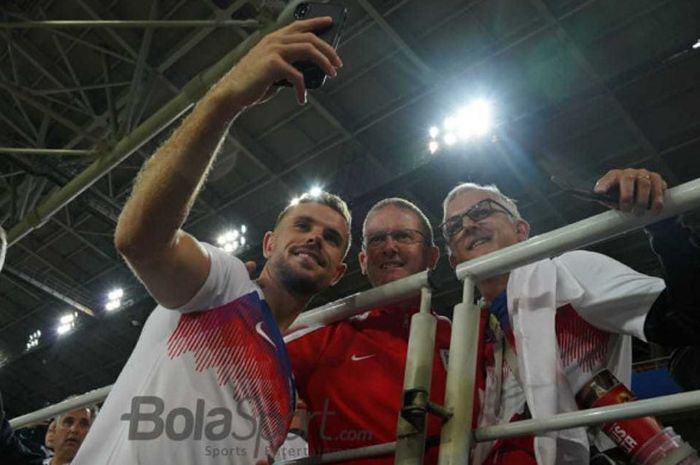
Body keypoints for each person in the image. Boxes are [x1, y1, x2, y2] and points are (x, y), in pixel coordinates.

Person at [73, 16, 348, 465]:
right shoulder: (225, 284)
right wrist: (224, 100)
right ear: (267, 244)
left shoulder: (284, 393)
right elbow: (139, 240)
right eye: (302, 226)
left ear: (338, 272)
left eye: (332, 238)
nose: (316, 237)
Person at [440, 169, 699, 465]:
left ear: (521, 230)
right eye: (453, 227)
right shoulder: (463, 336)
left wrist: (664, 226)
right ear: (453, 261)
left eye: (482, 211)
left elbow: (686, 320)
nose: (469, 225)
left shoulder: (567, 273)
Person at [285, 198, 449, 465]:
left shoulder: (468, 336)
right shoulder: (324, 335)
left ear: (432, 256)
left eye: (403, 236)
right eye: (376, 240)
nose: (389, 247)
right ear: (363, 261)